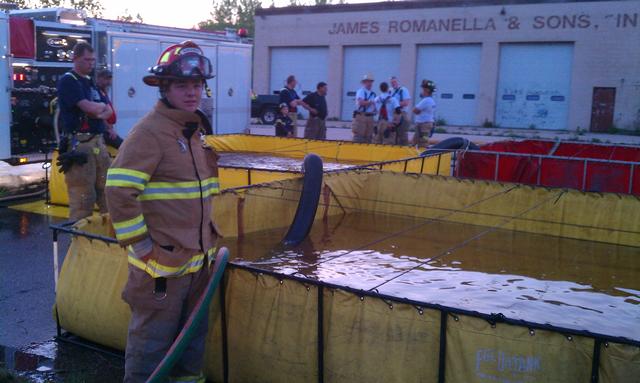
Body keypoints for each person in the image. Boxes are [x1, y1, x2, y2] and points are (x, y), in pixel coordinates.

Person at [105, 40, 220, 383]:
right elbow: (119, 191)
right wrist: (142, 247)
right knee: (151, 350)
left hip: (198, 263)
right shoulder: (150, 133)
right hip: (162, 269)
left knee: (191, 348)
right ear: (164, 88)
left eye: (196, 85)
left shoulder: (192, 131)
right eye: (182, 85)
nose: (191, 93)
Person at [56, 42, 113, 221]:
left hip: (97, 143)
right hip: (79, 146)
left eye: (93, 60)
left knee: (107, 193)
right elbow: (89, 108)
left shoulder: (90, 82)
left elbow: (109, 112)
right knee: (83, 198)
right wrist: (99, 109)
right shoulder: (68, 81)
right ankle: (80, 241)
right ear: (75, 59)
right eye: (86, 60)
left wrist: (100, 108)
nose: (91, 64)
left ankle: (109, 238)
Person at [95, 68, 123, 149]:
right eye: (106, 78)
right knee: (124, 146)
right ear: (99, 78)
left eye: (110, 79)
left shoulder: (103, 92)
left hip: (107, 129)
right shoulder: (96, 92)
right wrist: (109, 129)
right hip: (103, 130)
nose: (109, 81)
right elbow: (99, 114)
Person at [352, 73, 377, 143]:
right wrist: (371, 102)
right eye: (368, 81)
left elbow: (375, 106)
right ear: (364, 82)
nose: (369, 83)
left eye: (370, 81)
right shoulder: (361, 91)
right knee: (359, 138)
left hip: (370, 117)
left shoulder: (373, 94)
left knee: (369, 138)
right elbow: (361, 102)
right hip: (361, 116)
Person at [412, 79, 437, 147]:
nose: (422, 91)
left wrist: (418, 110)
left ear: (427, 90)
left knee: (423, 142)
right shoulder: (430, 100)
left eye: (423, 89)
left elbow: (415, 110)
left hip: (423, 125)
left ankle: (422, 156)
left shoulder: (426, 100)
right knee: (421, 140)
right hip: (425, 124)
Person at [389, 76, 411, 145]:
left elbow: (406, 102)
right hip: (393, 115)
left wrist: (395, 104)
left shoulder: (403, 90)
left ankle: (403, 151)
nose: (393, 83)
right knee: (393, 135)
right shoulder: (390, 91)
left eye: (394, 82)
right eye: (392, 82)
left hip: (402, 114)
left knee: (402, 136)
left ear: (397, 82)